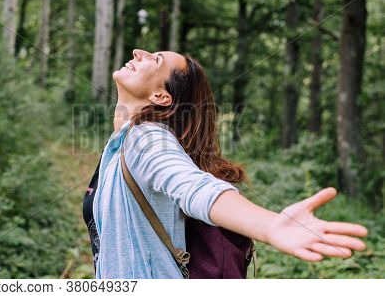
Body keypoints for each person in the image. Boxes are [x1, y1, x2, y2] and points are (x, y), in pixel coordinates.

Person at [82, 49, 368, 279]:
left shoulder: (146, 138)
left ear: (161, 97)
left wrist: (269, 226)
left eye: (155, 59)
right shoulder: (119, 143)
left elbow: (193, 187)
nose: (137, 52)